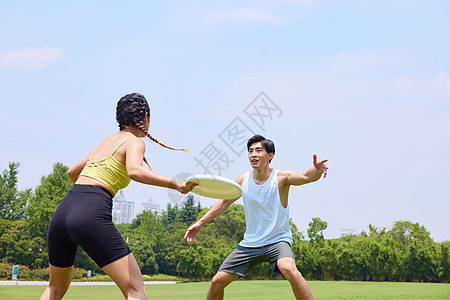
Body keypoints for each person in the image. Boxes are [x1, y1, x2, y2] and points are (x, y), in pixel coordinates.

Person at [40, 93, 197, 300]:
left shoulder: (107, 140)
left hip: (63, 211)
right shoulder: (134, 142)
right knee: (136, 290)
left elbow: (72, 172)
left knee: (55, 289)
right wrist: (175, 184)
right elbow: (135, 171)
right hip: (90, 211)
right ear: (145, 117)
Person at [184, 134, 328, 300]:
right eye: (250, 151)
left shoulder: (281, 178)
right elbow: (224, 203)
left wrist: (317, 169)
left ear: (270, 155)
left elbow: (305, 176)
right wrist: (200, 223)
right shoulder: (243, 180)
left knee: (289, 268)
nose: (253, 154)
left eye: (258, 150)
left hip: (277, 240)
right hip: (250, 243)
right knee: (217, 281)